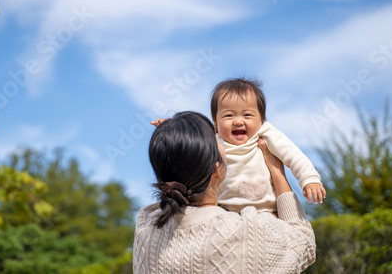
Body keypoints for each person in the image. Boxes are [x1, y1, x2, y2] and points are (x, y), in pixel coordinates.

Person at [134, 111, 316, 274]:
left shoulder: (146, 225)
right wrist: (277, 171)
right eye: (217, 140)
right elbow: (304, 242)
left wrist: (174, 142)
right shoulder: (249, 232)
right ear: (216, 170)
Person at [210, 78, 326, 213]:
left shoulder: (265, 134)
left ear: (261, 119)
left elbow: (293, 154)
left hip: (267, 211)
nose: (238, 121)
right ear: (215, 121)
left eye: (247, 115)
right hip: (226, 212)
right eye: (229, 115)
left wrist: (309, 178)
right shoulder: (213, 143)